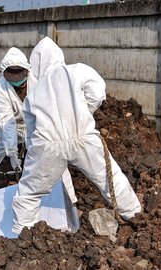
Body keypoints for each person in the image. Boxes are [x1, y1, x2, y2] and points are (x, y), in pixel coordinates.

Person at [12, 37, 142, 234]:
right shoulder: (77, 70)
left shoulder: (34, 92)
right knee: (111, 179)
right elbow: (97, 92)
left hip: (48, 146)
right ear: (59, 56)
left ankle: (22, 234)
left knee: (29, 193)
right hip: (83, 138)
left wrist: (33, 155)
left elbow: (31, 130)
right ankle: (136, 217)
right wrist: (84, 113)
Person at [0, 47, 77, 203]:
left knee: (55, 156)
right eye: (11, 74)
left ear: (27, 70)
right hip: (5, 127)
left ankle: (69, 201)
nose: (16, 78)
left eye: (19, 73)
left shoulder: (37, 82)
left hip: (35, 125)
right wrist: (12, 153)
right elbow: (7, 124)